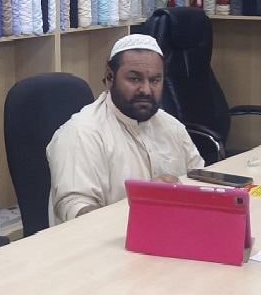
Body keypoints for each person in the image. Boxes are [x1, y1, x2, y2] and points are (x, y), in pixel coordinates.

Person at [46, 34, 204, 225]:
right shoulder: (82, 133)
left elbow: (199, 179)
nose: (146, 90)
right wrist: (143, 203)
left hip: (170, 230)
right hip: (105, 241)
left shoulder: (171, 126)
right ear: (109, 77)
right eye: (134, 79)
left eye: (155, 80)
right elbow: (77, 213)